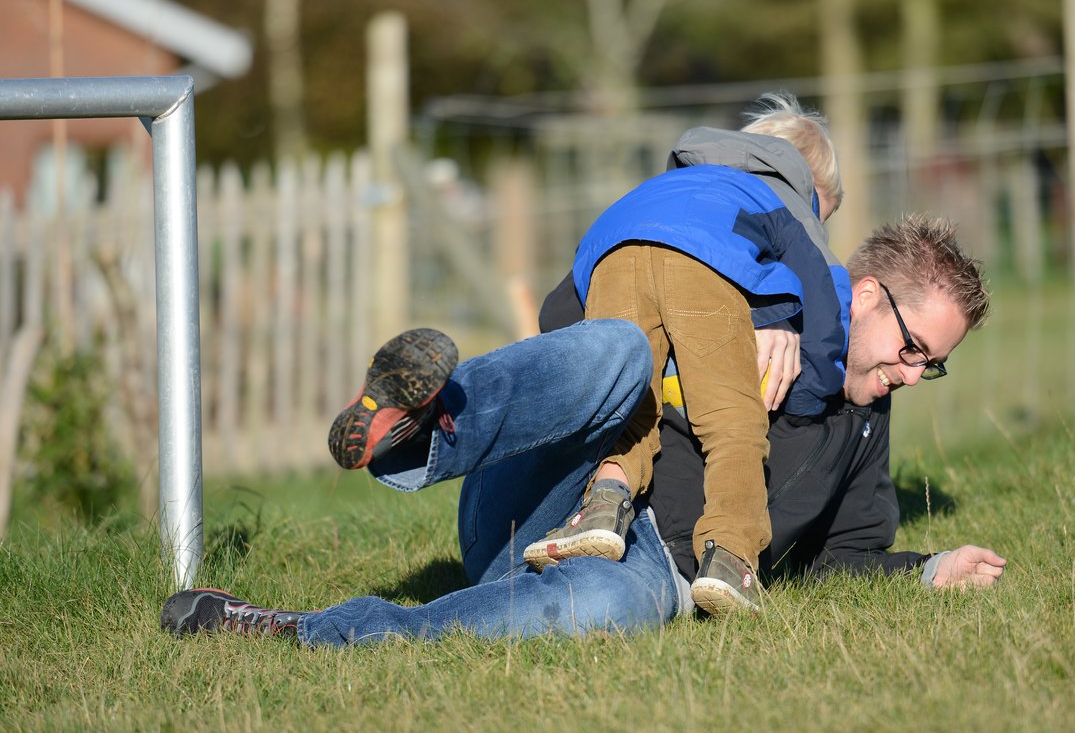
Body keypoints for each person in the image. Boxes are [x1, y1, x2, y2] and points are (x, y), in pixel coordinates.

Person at [161, 215, 1006, 646]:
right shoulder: (758, 299)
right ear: (862, 296)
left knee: (617, 603)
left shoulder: (865, 421)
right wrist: (739, 323)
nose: (909, 375)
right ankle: (419, 435)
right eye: (911, 350)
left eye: (928, 366)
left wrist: (929, 569)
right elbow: (564, 316)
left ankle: (295, 629)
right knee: (615, 348)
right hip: (560, 488)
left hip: (644, 566)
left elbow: (831, 556)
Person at [520, 93, 852, 616]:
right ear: (808, 185)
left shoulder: (661, 188)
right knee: (733, 424)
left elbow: (557, 313)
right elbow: (827, 306)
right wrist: (809, 394)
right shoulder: (782, 195)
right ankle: (730, 560)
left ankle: (601, 512)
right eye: (823, 215)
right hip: (705, 272)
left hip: (613, 251)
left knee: (627, 412)